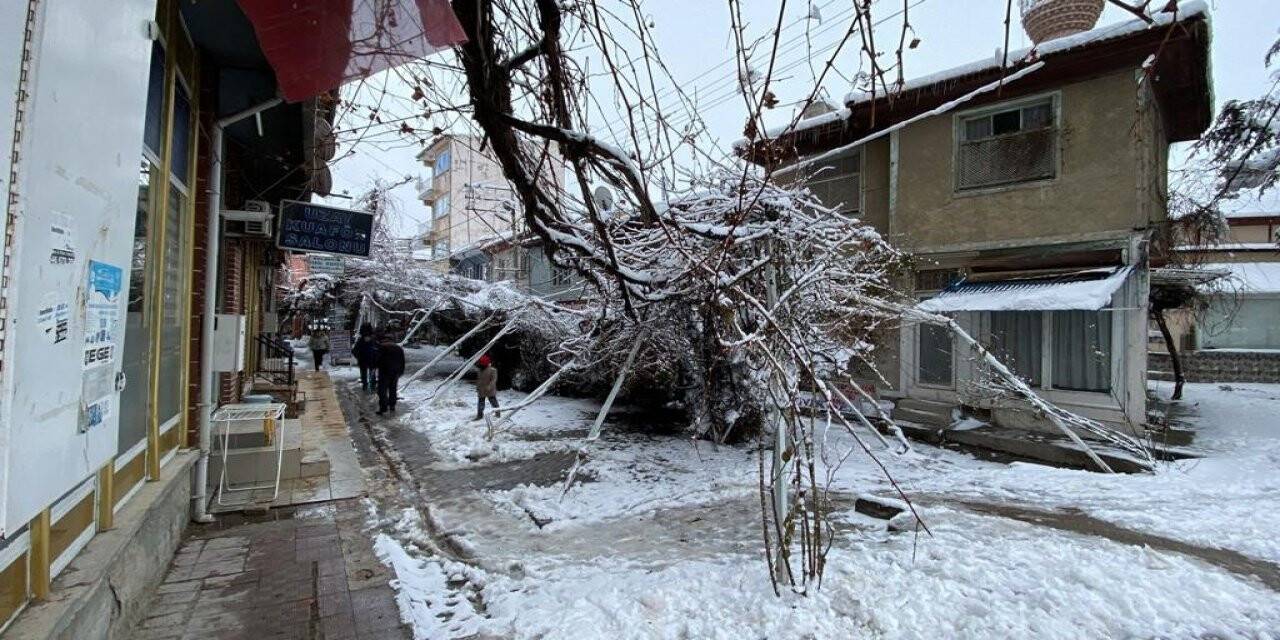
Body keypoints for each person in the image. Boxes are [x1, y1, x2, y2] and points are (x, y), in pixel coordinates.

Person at [375, 335, 406, 415]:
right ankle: (392, 405)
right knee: (393, 389)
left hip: (384, 372)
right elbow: (402, 361)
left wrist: (375, 367)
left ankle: (383, 407)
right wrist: (400, 372)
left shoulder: (382, 347)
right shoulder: (399, 348)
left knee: (382, 390)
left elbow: (378, 359)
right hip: (395, 372)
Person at [353, 326, 380, 393]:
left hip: (372, 361)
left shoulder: (373, 341)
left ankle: (372, 385)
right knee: (364, 374)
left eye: (368, 336)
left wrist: (376, 356)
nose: (367, 338)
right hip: (363, 361)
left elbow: (379, 349)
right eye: (366, 336)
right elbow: (354, 351)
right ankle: (365, 385)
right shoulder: (360, 342)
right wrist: (358, 356)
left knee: (372, 374)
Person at [475, 354, 499, 421]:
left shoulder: (493, 370)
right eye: (480, 364)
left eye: (482, 364)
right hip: (481, 390)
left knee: (493, 402)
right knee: (480, 403)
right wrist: (477, 387)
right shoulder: (479, 370)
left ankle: (498, 413)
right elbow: (479, 379)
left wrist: (489, 386)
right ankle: (479, 415)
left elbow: (494, 380)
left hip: (490, 390)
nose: (480, 366)